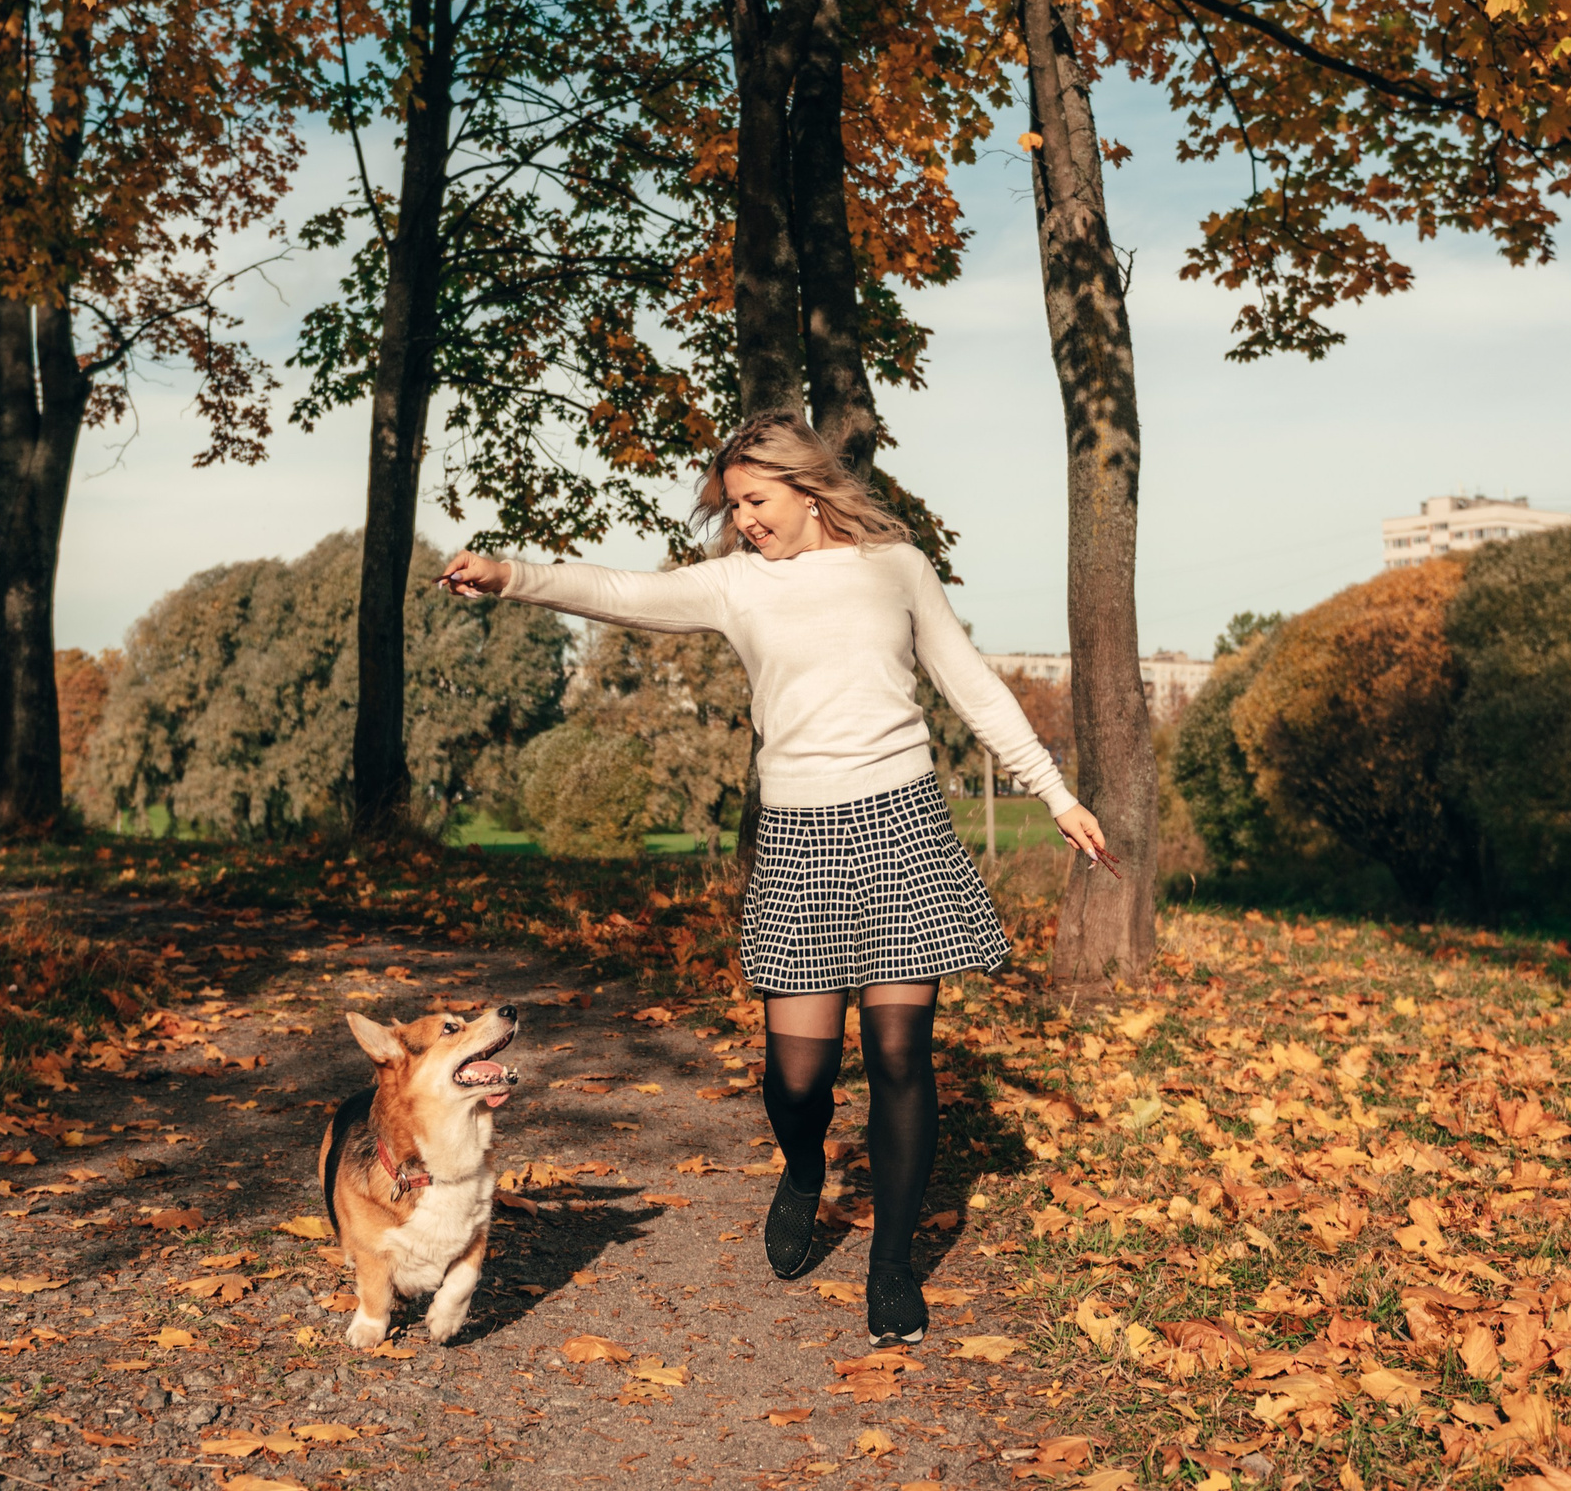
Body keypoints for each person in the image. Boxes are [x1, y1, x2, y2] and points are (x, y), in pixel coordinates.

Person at [438, 411, 1104, 1346]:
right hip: (798, 837)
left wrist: (1055, 792)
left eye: (756, 499)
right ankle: (804, 1167)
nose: (744, 519)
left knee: (901, 1054)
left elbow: (972, 685)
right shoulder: (736, 584)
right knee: (800, 1076)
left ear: (807, 486)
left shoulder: (896, 566)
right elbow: (620, 590)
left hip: (902, 823)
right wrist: (511, 574)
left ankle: (892, 1265)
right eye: (733, 506)